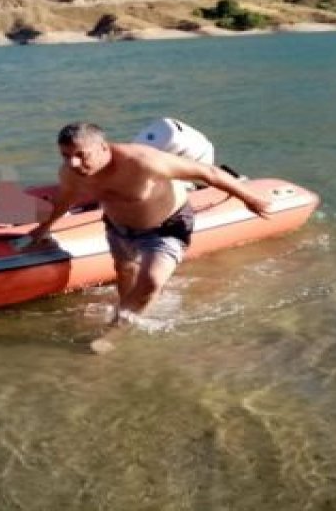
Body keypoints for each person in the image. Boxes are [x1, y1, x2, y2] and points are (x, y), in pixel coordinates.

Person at [27, 122, 273, 353]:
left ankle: (117, 331)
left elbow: (208, 172)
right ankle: (126, 308)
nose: (73, 163)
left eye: (81, 155)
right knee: (124, 271)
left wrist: (250, 199)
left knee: (152, 279)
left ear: (104, 147)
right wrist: (45, 226)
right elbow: (66, 199)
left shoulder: (144, 161)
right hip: (118, 227)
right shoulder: (71, 173)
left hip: (165, 226)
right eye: (65, 156)